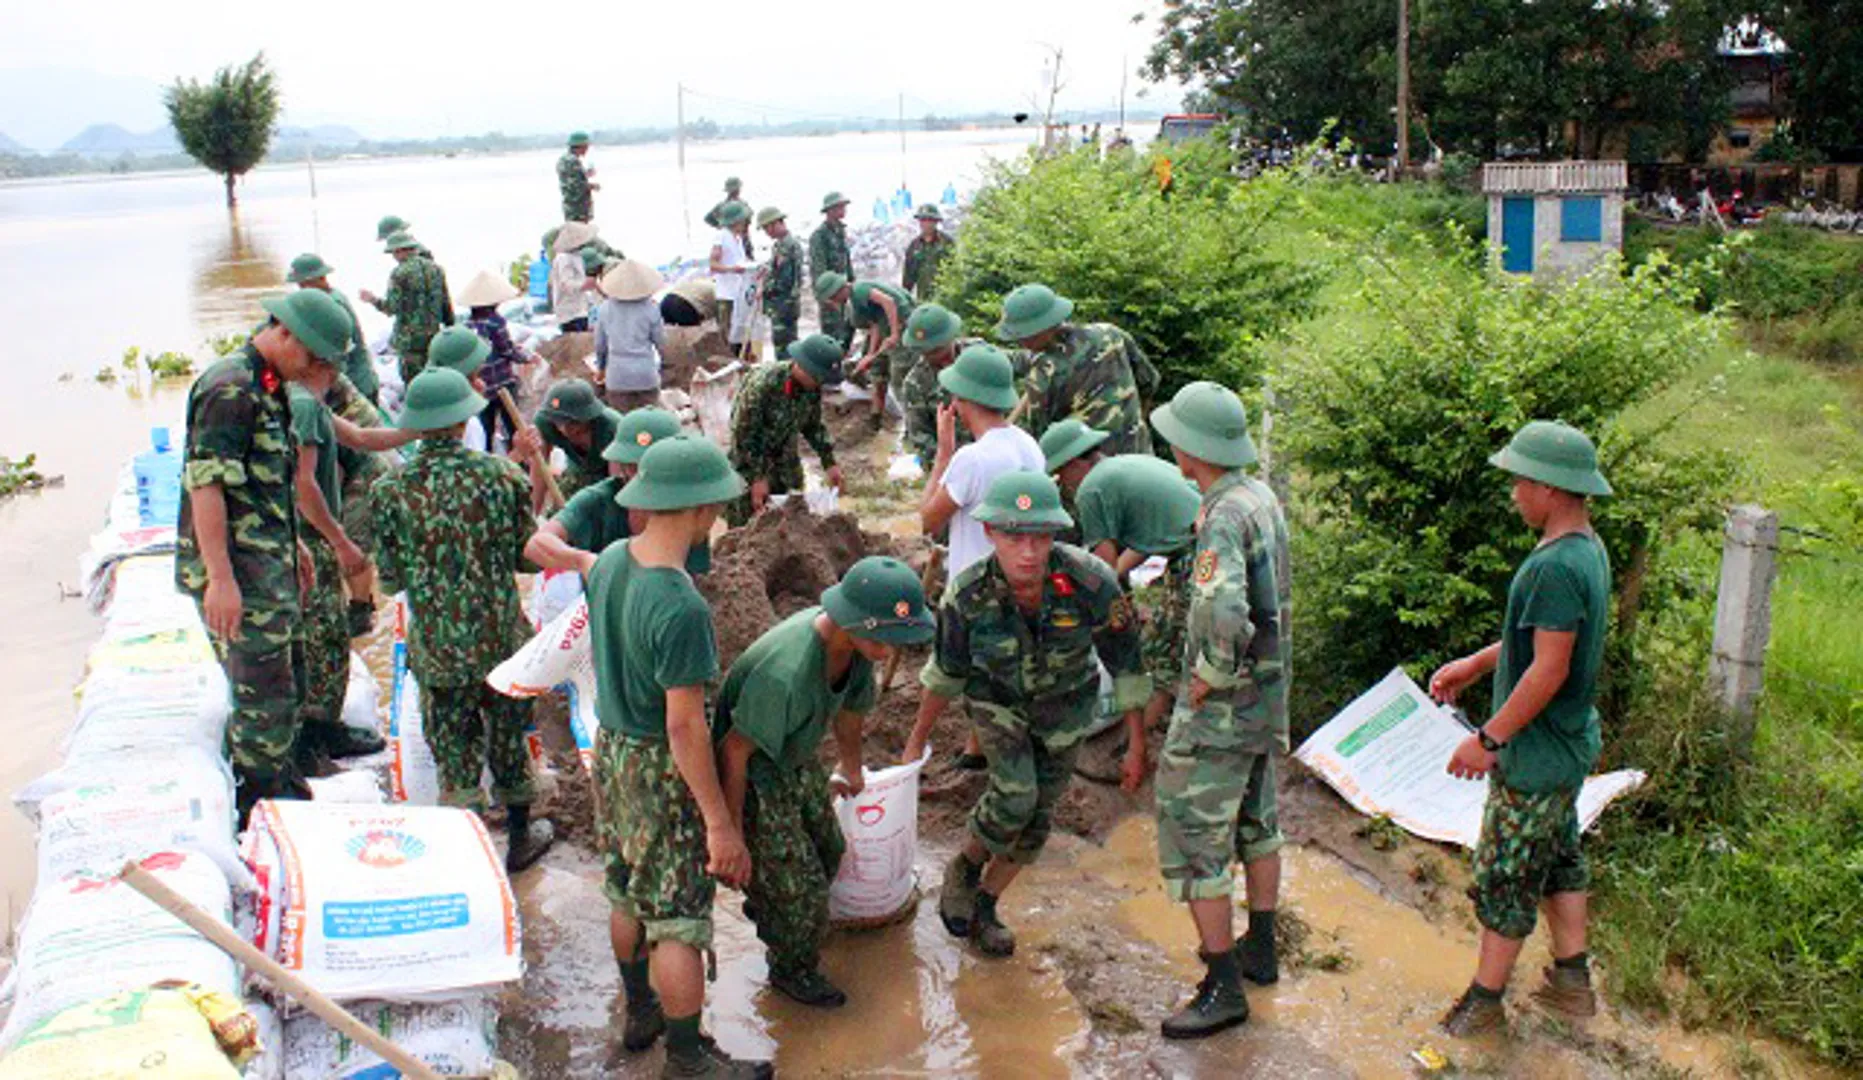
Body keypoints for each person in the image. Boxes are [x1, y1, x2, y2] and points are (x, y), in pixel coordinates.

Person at [585, 435, 772, 1078]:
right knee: (678, 916)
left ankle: (639, 1010)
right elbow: (684, 725)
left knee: (626, 886)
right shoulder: (681, 604)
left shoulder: (611, 561)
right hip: (660, 770)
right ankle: (687, 1058)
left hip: (610, 753)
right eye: (714, 507)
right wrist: (720, 821)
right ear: (697, 509)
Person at [904, 470, 1148, 958]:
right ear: (991, 533)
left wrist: (1137, 746)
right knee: (1016, 796)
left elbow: (1127, 665)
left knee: (1036, 821)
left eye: (1039, 537)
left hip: (1067, 706)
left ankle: (987, 905)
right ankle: (966, 868)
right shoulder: (967, 596)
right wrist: (916, 742)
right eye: (1014, 537)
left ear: (1055, 534)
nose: (1028, 552)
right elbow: (945, 676)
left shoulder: (1091, 582)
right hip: (997, 703)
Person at [1429, 421, 1614, 1037]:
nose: (1513, 494)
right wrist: (1477, 664)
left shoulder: (1555, 568)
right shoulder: (1586, 547)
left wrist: (1486, 739)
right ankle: (1571, 983)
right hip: (1568, 746)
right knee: (1560, 857)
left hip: (1535, 756)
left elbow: (1549, 668)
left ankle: (1483, 1005)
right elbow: (1533, 644)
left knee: (1505, 874)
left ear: (1550, 488)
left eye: (1518, 482)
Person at [715, 556, 934, 1007]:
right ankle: (790, 969)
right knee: (804, 891)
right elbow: (734, 751)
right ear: (853, 620)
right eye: (884, 638)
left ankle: (780, 906)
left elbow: (850, 712)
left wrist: (851, 768)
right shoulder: (786, 672)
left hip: (794, 757)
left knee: (831, 849)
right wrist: (732, 831)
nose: (890, 650)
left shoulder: (854, 648)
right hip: (755, 772)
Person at [1146, 382, 1291, 1040]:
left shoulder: (1221, 515)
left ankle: (1221, 984)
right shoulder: (1259, 497)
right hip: (1264, 698)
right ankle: (1260, 947)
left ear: (1189, 449)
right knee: (1256, 820)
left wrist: (1206, 675)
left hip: (1223, 710)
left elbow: (1226, 609)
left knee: (1193, 834)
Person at [372, 367, 557, 872]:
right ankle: (520, 840)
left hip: (436, 648)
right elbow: (527, 558)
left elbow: (389, 580)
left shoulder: (390, 490)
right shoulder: (503, 476)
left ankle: (471, 866)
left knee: (453, 757)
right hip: (501, 641)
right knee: (509, 742)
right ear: (462, 421)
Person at [175, 289, 351, 819]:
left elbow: (261, 481)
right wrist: (220, 578)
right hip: (241, 576)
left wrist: (290, 540)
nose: (314, 369)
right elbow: (207, 485)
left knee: (283, 690)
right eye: (313, 357)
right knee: (262, 702)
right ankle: (260, 808)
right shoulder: (230, 388)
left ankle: (278, 784)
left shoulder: (268, 384)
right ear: (284, 332)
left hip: (265, 563)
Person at [1042, 418, 1201, 736]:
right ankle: (1153, 728)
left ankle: (1140, 741)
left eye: (1061, 475)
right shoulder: (1123, 466)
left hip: (1199, 555)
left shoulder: (1092, 489)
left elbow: (1100, 574)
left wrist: (1094, 613)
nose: (1064, 485)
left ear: (1074, 464)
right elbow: (1146, 540)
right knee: (1170, 642)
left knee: (1156, 651)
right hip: (1202, 541)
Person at [285, 348, 403, 771]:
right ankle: (311, 743)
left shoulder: (310, 402)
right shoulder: (301, 405)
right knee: (320, 640)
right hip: (307, 537)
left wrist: (420, 432)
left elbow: (362, 437)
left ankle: (326, 729)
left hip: (316, 535)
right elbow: (304, 485)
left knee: (329, 637)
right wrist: (340, 542)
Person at [523, 408, 709, 576]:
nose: (638, 474)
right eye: (632, 466)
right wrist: (585, 561)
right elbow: (537, 545)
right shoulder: (600, 500)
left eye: (649, 465)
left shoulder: (688, 506)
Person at [918, 344, 1044, 578]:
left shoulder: (972, 459)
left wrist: (943, 455)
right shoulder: (1030, 445)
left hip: (975, 592)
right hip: (1019, 581)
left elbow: (926, 524)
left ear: (960, 399)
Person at [997, 282, 1159, 454]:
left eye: (1024, 335)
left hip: (1091, 471)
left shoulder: (1043, 376)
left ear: (1042, 329)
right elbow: (1149, 381)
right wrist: (1135, 422)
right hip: (1141, 457)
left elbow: (1043, 442)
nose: (1022, 341)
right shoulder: (1109, 334)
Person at [725, 334, 844, 526]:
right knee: (748, 521)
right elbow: (743, 435)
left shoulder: (811, 387)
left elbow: (813, 425)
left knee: (793, 516)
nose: (819, 384)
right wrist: (757, 477)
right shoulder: (763, 385)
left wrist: (829, 462)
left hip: (785, 459)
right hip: (750, 460)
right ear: (803, 366)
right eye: (818, 378)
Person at [459, 270, 540, 451]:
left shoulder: (467, 325)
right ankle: (519, 460)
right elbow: (507, 350)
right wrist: (526, 357)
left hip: (482, 384)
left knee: (485, 430)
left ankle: (487, 457)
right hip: (502, 382)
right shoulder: (496, 322)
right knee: (513, 427)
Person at [896, 303, 981, 471]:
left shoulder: (978, 353)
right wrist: (951, 466)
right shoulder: (915, 383)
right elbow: (921, 438)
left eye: (943, 351)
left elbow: (1018, 362)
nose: (942, 361)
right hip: (954, 467)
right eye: (931, 355)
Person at [360, 232, 450, 387]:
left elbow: (391, 308)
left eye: (394, 253)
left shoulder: (399, 273)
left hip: (410, 342)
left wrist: (372, 299)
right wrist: (449, 328)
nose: (394, 257)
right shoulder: (437, 269)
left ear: (400, 251)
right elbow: (446, 302)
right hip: (433, 336)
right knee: (435, 381)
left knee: (415, 385)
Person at [287, 252, 378, 404]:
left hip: (357, 386)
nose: (302, 289)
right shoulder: (328, 299)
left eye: (304, 284)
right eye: (300, 285)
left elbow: (338, 356)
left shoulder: (332, 306)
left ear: (321, 279)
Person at [594, 258, 668, 413]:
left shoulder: (605, 309)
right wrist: (665, 363)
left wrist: (601, 368)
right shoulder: (651, 308)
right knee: (649, 426)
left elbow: (600, 346)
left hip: (618, 376)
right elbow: (661, 342)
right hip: (645, 375)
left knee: (623, 426)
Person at [532, 380, 622, 501]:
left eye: (572, 422)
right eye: (558, 421)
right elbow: (539, 468)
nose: (564, 429)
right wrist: (532, 513)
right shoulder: (546, 423)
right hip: (578, 470)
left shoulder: (612, 427)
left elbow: (617, 482)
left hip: (608, 474)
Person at [844, 277, 914, 429]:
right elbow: (874, 327)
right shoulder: (866, 309)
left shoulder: (860, 290)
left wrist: (895, 333)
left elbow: (888, 301)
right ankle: (875, 418)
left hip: (902, 326)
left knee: (899, 378)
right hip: (888, 328)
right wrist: (870, 354)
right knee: (877, 373)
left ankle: (911, 425)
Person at [808, 192, 854, 350]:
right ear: (830, 210)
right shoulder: (819, 236)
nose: (843, 210)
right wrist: (825, 297)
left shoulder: (840, 232)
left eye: (844, 206)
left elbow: (846, 261)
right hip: (831, 295)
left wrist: (852, 283)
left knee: (847, 332)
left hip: (844, 292)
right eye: (840, 206)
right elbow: (818, 269)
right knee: (832, 337)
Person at [756, 206, 804, 353]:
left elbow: (784, 281)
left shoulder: (788, 246)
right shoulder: (780, 245)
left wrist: (764, 288)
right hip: (781, 306)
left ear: (774, 224)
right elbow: (776, 270)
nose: (766, 232)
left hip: (784, 306)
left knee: (784, 349)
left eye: (767, 228)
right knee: (785, 345)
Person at [709, 201, 754, 352]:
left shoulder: (738, 238)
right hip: (726, 295)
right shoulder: (721, 236)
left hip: (739, 294)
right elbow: (713, 264)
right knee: (728, 335)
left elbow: (739, 260)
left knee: (741, 335)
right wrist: (732, 269)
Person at [552, 224, 605, 333]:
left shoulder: (576, 255)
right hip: (570, 313)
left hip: (580, 310)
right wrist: (584, 285)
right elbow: (566, 284)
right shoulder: (563, 258)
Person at [901, 204, 953, 300]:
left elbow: (955, 269)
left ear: (936, 222)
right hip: (923, 298)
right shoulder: (914, 246)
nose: (926, 224)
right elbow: (908, 277)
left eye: (930, 220)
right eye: (923, 220)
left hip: (945, 297)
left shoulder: (947, 242)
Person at [559, 131, 599, 223]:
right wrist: (592, 186)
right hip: (577, 208)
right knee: (579, 234)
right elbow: (575, 185)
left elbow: (571, 178)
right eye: (586, 146)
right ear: (581, 146)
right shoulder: (572, 161)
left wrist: (585, 174)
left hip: (570, 207)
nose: (587, 149)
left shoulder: (564, 159)